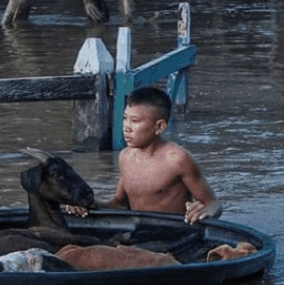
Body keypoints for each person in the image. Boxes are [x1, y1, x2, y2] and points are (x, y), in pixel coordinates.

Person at [70, 86, 221, 225]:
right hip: (137, 232)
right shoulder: (125, 157)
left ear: (159, 127)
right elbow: (120, 204)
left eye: (134, 121)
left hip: (173, 234)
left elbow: (213, 203)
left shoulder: (177, 159)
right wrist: (89, 204)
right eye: (125, 118)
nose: (126, 127)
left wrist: (204, 211)